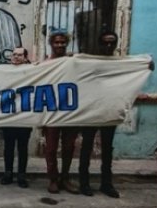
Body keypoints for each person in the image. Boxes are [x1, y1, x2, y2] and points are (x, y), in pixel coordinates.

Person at [78, 30, 121, 197]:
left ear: (116, 44)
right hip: (91, 110)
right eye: (105, 42)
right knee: (86, 146)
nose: (109, 46)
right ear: (100, 44)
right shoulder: (91, 62)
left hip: (109, 110)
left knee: (107, 149)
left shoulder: (121, 63)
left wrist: (145, 66)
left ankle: (106, 184)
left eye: (112, 42)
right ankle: (84, 183)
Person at [41, 29, 79, 194]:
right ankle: (53, 179)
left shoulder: (74, 62)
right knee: (50, 148)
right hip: (51, 112)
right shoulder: (44, 65)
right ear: (51, 43)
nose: (59, 45)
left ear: (67, 43)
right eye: (56, 42)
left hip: (70, 111)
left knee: (68, 147)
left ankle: (65, 178)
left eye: (62, 42)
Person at [0, 46, 33, 187]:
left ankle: (21, 175)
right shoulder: (5, 72)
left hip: (25, 116)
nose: (16, 57)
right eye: (14, 54)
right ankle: (8, 173)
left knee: (23, 148)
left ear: (25, 57)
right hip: (9, 115)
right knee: (8, 147)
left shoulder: (32, 72)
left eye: (19, 55)